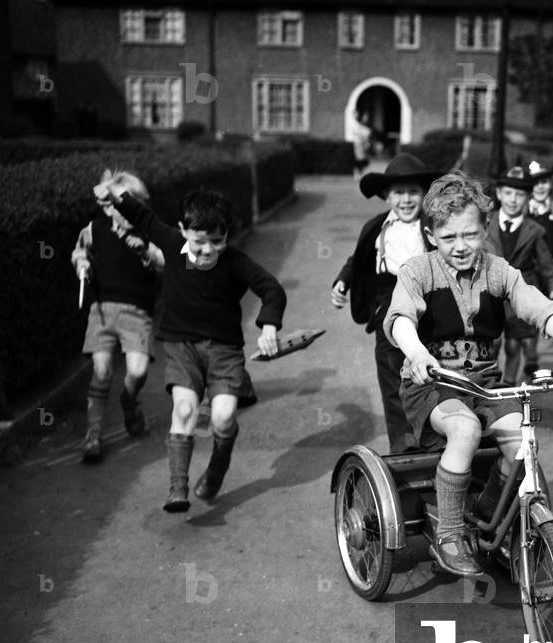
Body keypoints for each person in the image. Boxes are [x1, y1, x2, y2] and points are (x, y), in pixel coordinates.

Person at [384, 171, 553, 576]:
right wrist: (418, 351)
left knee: (521, 443)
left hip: (484, 385)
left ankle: (489, 518)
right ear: (430, 236)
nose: (461, 247)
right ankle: (451, 533)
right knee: (465, 431)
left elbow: (539, 308)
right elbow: (401, 318)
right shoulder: (417, 271)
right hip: (432, 385)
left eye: (471, 235)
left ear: (485, 229)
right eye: (448, 238)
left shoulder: (499, 272)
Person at [94, 181, 286, 513]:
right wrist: (114, 195)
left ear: (227, 234)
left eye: (218, 240)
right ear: (183, 231)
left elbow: (272, 289)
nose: (208, 250)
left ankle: (216, 468)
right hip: (181, 347)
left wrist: (269, 325)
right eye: (199, 242)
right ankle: (177, 488)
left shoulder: (235, 262)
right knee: (184, 411)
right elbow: (141, 215)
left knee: (224, 418)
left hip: (224, 351)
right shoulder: (171, 244)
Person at [331, 152, 443, 453]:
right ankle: (404, 448)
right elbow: (358, 259)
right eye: (398, 193)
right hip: (387, 308)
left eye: (413, 192)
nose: (405, 200)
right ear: (386, 196)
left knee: (431, 374)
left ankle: (436, 442)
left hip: (428, 308)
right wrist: (343, 280)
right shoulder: (378, 228)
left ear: (424, 195)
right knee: (393, 380)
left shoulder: (433, 226)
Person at [71, 169, 164, 463]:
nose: (124, 210)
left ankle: (128, 400)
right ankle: (93, 435)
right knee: (101, 373)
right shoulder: (94, 229)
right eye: (117, 203)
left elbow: (164, 261)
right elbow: (79, 253)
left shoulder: (148, 234)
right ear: (107, 205)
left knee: (137, 371)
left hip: (137, 313)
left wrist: (147, 251)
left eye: (131, 203)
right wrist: (82, 264)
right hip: (101, 311)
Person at [484, 165, 553, 384]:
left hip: (520, 292)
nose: (512, 200)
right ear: (499, 194)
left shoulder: (535, 230)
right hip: (489, 292)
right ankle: (489, 381)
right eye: (508, 193)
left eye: (519, 195)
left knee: (514, 343)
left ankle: (509, 385)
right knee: (493, 341)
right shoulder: (484, 223)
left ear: (528, 198)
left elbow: (547, 263)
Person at [350, 111, 372, 179]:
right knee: (359, 160)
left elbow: (366, 132)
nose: (357, 115)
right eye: (355, 114)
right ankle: (357, 174)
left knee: (362, 160)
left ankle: (359, 173)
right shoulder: (354, 123)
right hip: (358, 143)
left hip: (362, 143)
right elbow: (360, 132)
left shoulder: (359, 124)